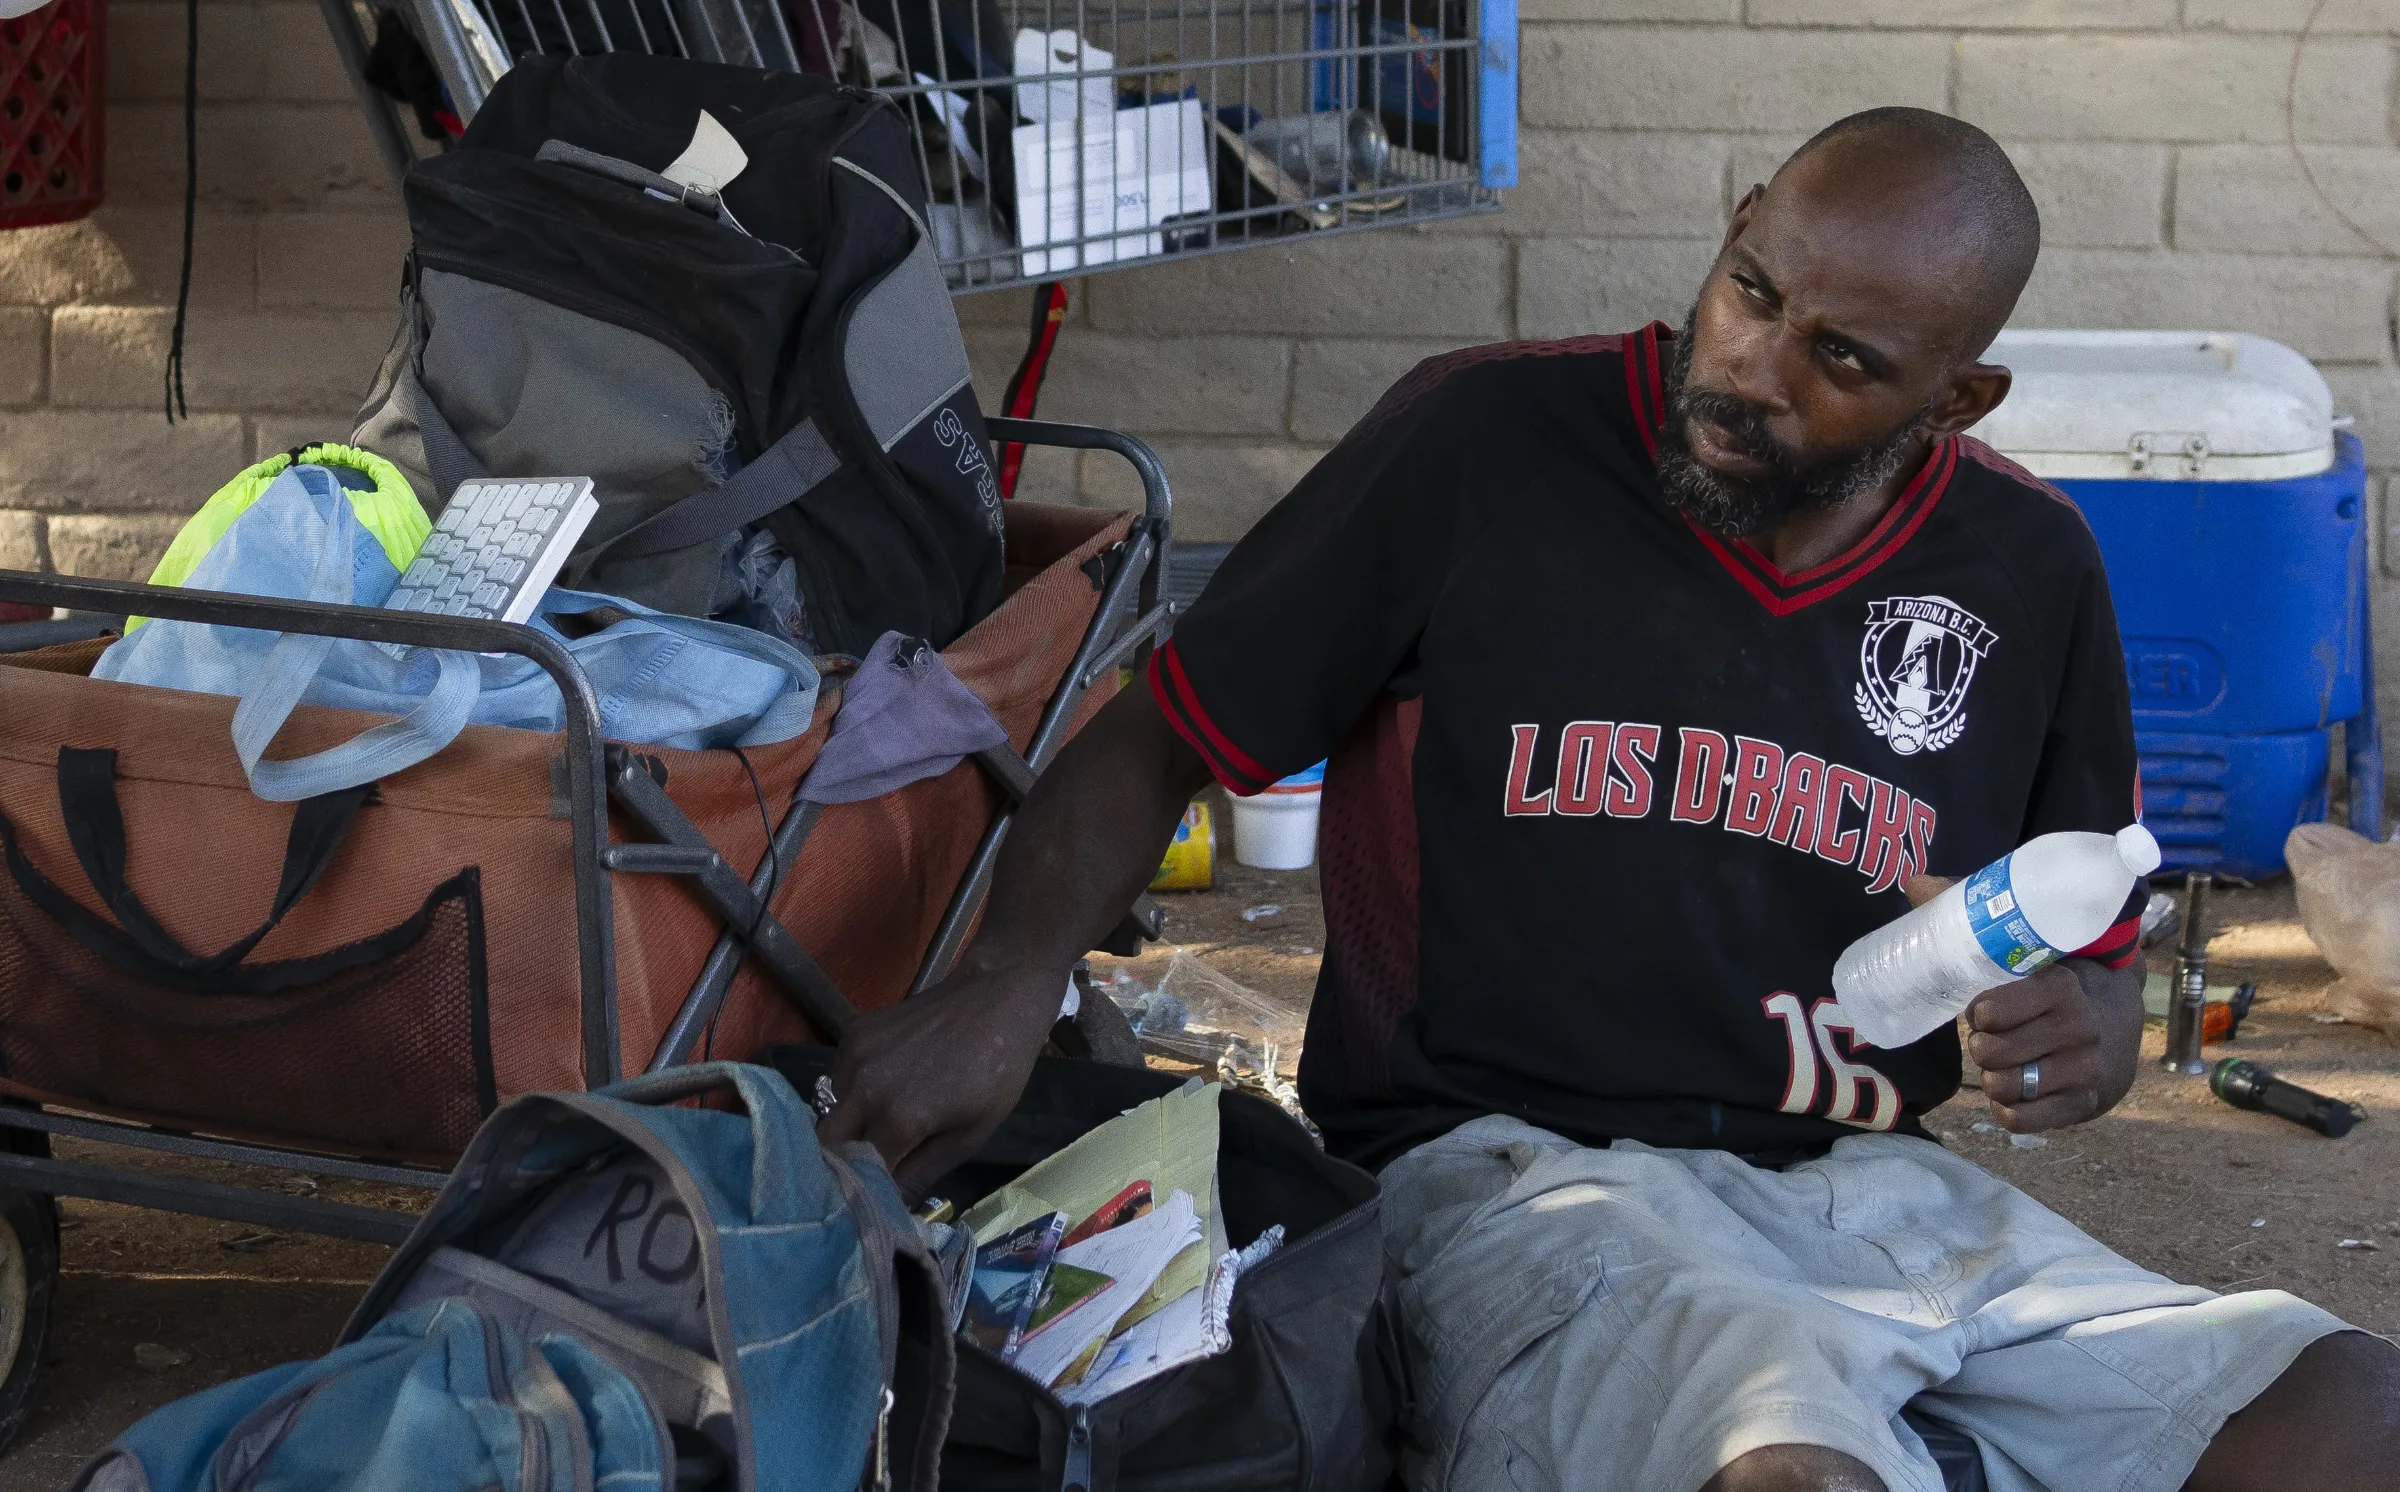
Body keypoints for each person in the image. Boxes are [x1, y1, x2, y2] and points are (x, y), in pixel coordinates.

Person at [823, 108, 2400, 1492]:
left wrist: (2092, 1029)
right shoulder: (1487, 439)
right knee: (1798, 1464)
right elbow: (1158, 734)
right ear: (1731, 236)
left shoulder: (2028, 566)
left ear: (1958, 398)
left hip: (1873, 1191)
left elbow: (2094, 934)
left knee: (2350, 1415)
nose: (1750, 372)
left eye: (1840, 361)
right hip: (1510, 1172)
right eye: (1754, 293)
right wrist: (1004, 986)